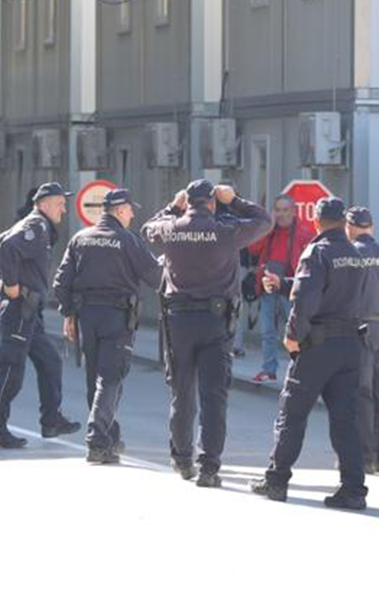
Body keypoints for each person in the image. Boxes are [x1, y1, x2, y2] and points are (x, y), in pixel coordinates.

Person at [141, 180, 271, 487]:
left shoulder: (171, 228)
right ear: (212, 203)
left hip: (179, 322)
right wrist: (236, 199)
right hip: (216, 322)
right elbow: (265, 222)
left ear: (188, 202)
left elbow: (147, 229)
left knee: (182, 393)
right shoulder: (226, 231)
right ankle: (209, 467)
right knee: (214, 396)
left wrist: (173, 206)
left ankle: (183, 460)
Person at [249, 197, 369, 510]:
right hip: (350, 346)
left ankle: (276, 481)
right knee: (346, 421)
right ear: (343, 222)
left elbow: (305, 299)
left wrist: (291, 336)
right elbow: (336, 290)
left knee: (292, 414)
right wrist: (286, 282)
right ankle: (354, 489)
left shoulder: (317, 252)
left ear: (316, 223)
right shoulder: (355, 254)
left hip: (318, 346)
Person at [52, 188, 161, 464]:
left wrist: (69, 315)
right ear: (120, 210)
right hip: (117, 316)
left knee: (95, 379)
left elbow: (61, 282)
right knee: (111, 378)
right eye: (130, 209)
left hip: (87, 316)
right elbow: (156, 276)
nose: (133, 214)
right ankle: (97, 440)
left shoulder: (81, 238)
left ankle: (109, 436)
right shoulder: (127, 240)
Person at [0, 182, 81, 449]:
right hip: (19, 310)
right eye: (60, 203)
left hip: (29, 311)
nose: (63, 209)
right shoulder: (35, 226)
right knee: (11, 372)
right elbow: (5, 250)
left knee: (51, 361)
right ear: (45, 204)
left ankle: (51, 420)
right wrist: (8, 286)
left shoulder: (36, 225)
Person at [346, 206, 379, 474]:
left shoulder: (352, 253)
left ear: (351, 227)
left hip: (361, 327)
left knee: (362, 392)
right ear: (372, 227)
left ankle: (366, 456)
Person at [252, 194, 315, 383]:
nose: (281, 214)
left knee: (297, 331)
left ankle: (302, 370)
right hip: (268, 285)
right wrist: (268, 228)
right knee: (267, 331)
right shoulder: (269, 230)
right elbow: (253, 249)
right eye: (277, 210)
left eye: (285, 210)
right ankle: (269, 369)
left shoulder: (304, 232)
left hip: (291, 287)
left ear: (293, 211)